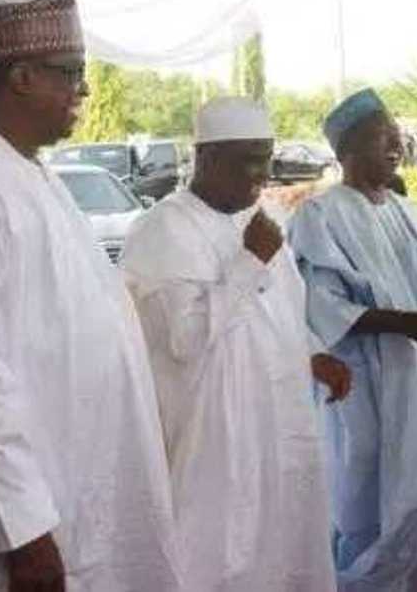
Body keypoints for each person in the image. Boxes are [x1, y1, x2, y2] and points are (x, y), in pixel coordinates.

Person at [0, 0, 181, 592]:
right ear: (21, 76)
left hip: (85, 477)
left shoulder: (28, 170)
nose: (84, 90)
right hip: (38, 515)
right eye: (72, 73)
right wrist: (24, 531)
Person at [121, 97, 348, 592]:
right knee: (220, 557)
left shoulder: (258, 220)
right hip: (213, 440)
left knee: (287, 552)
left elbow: (282, 310)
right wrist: (248, 263)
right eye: (247, 160)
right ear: (206, 159)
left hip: (278, 425)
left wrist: (314, 354)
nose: (260, 175)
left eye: (264, 159)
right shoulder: (162, 229)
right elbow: (184, 339)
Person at [287, 88, 417, 592]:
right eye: (384, 136)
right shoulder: (321, 216)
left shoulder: (405, 211)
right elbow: (321, 306)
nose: (397, 145)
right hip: (372, 386)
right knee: (381, 500)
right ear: (348, 149)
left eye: (398, 135)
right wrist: (404, 324)